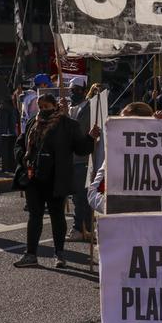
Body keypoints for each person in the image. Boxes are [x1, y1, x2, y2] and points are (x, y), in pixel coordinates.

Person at [12, 94, 100, 268]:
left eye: (47, 106)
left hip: (56, 179)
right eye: (41, 106)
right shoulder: (32, 123)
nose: (43, 110)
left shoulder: (68, 125)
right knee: (34, 216)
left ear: (54, 106)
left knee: (57, 217)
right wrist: (24, 158)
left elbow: (81, 149)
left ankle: (59, 254)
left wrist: (90, 137)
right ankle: (31, 255)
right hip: (34, 178)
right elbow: (19, 145)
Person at [67, 77, 94, 242]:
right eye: (71, 90)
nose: (73, 93)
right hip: (71, 158)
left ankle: (80, 228)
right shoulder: (71, 108)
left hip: (83, 158)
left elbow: (80, 131)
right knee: (77, 196)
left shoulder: (89, 109)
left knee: (81, 196)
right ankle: (85, 228)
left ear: (84, 91)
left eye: (77, 90)